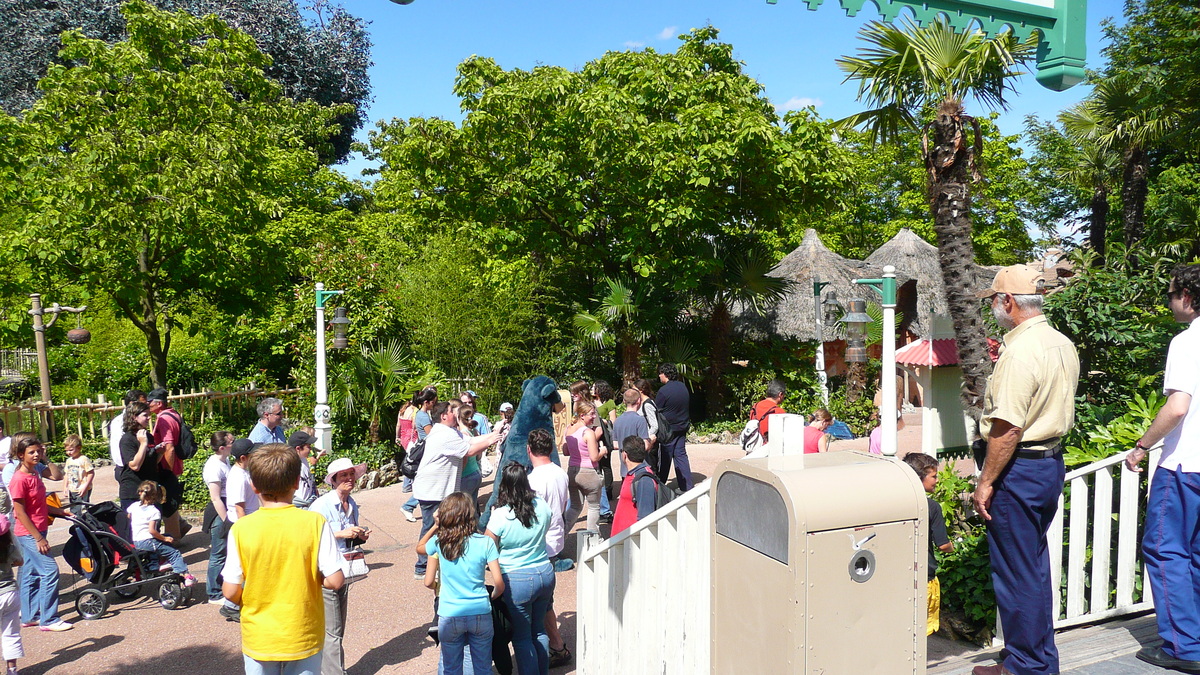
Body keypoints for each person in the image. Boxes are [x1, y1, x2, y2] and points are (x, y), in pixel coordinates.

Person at [970, 264, 1079, 675]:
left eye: (995, 302)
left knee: (1017, 574)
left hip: (1018, 469)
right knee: (1031, 569)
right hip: (1048, 465)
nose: (994, 309)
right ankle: (1034, 657)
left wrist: (985, 482)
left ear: (1009, 302)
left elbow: (1008, 427)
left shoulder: (1020, 352)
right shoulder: (1059, 342)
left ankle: (1027, 666)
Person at [1125, 263, 1200, 672]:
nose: (1170, 302)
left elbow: (1178, 406)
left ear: (1187, 297)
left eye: (1171, 294)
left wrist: (1141, 447)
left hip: (1186, 465)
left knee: (1166, 550)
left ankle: (1183, 648)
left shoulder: (1187, 342)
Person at [222, 443, 344, 674]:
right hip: (303, 631)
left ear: (254, 486)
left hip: (260, 635)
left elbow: (229, 591)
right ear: (297, 482)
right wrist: (310, 578)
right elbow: (335, 580)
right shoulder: (315, 522)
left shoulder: (241, 528)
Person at [417, 492, 503, 675]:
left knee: (450, 667)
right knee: (482, 667)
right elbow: (499, 582)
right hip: (480, 610)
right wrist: (492, 596)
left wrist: (435, 525)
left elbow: (420, 549)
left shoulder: (440, 542)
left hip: (450, 612)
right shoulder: (485, 542)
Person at [413, 402, 500, 579]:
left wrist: (495, 433)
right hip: (432, 491)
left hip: (439, 489)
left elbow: (470, 440)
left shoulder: (450, 431)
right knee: (432, 526)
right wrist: (491, 441)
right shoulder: (442, 434)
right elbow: (469, 450)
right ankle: (422, 567)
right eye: (452, 411)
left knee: (441, 525)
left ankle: (435, 563)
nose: (456, 413)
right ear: (444, 416)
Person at [485, 463, 555, 675]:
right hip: (544, 571)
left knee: (522, 638)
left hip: (517, 579)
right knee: (539, 631)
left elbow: (487, 546)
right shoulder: (541, 504)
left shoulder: (501, 515)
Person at [311, 457, 370, 675]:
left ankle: (329, 669)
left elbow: (349, 537)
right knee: (333, 630)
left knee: (338, 628)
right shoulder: (320, 505)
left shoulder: (351, 503)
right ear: (333, 480)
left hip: (346, 569)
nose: (349, 479)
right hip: (326, 573)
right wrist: (340, 533)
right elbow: (310, 538)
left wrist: (359, 536)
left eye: (351, 474)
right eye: (343, 475)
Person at [7, 437, 70, 632]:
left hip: (38, 528)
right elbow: (20, 513)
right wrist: (39, 538)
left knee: (31, 573)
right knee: (50, 571)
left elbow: (39, 503)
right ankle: (49, 619)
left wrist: (59, 511)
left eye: (38, 451)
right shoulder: (19, 479)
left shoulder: (35, 473)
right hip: (29, 533)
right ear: (20, 455)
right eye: (31, 452)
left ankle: (30, 616)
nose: (36, 455)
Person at [525, 429, 571, 665]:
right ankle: (553, 643)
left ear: (529, 450)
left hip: (540, 544)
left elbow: (528, 516)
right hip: (555, 538)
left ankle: (556, 645)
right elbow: (563, 505)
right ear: (551, 449)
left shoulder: (533, 480)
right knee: (544, 598)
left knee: (542, 601)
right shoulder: (560, 473)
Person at [902, 452, 952, 636]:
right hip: (925, 577)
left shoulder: (897, 503)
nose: (937, 480)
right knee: (924, 627)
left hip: (901, 577)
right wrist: (952, 546)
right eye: (934, 476)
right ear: (920, 478)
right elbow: (943, 545)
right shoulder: (931, 507)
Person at [127, 480, 196, 586]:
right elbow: (152, 531)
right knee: (174, 553)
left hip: (137, 541)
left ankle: (156, 563)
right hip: (148, 541)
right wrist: (164, 539)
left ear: (140, 492)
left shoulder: (134, 506)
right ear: (155, 496)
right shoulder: (153, 511)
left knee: (168, 536)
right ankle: (186, 575)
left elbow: (129, 516)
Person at [221, 439, 258, 623]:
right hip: (240, 524)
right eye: (253, 454)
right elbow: (239, 508)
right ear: (243, 457)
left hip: (246, 522)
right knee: (244, 566)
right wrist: (246, 532)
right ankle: (231, 606)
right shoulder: (238, 476)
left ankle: (235, 604)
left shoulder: (244, 472)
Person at [147, 388, 185, 539]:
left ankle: (173, 542)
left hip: (167, 466)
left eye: (150, 402)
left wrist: (168, 473)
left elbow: (168, 447)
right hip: (175, 464)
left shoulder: (163, 419)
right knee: (171, 502)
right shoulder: (174, 413)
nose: (148, 405)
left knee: (168, 505)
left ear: (159, 403)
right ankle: (181, 525)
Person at [562, 401, 604, 534]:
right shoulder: (588, 432)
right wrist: (603, 450)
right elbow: (594, 457)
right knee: (593, 506)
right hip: (589, 472)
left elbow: (565, 451)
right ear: (582, 415)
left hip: (573, 471)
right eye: (591, 414)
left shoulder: (569, 428)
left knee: (575, 507)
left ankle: (561, 535)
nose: (594, 417)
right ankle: (593, 539)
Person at [203, 431, 234, 606]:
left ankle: (222, 585)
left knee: (226, 551)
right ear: (222, 447)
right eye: (231, 442)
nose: (234, 444)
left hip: (227, 506)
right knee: (218, 553)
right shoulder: (214, 467)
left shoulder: (225, 460)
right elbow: (216, 498)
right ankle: (213, 593)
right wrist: (226, 520)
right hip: (220, 512)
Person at [611, 436, 662, 537]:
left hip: (631, 543)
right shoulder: (634, 475)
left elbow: (645, 518)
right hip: (622, 542)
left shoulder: (643, 479)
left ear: (624, 454)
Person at [654, 363, 693, 492]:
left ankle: (660, 486)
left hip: (668, 430)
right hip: (682, 426)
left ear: (665, 374)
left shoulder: (663, 391)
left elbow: (656, 409)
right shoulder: (683, 387)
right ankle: (686, 486)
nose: (659, 376)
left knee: (665, 457)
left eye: (660, 373)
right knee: (681, 455)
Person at [402, 388, 438, 523]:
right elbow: (432, 434)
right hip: (426, 452)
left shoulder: (421, 414)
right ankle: (408, 506)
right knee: (426, 484)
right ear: (427, 402)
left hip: (425, 450)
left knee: (426, 483)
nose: (434, 404)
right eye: (433, 402)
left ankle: (409, 506)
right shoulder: (423, 416)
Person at [117, 402, 158, 517]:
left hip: (150, 490)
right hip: (133, 492)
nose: (149, 418)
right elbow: (135, 466)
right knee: (134, 529)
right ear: (134, 417)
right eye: (145, 415)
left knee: (153, 526)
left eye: (149, 415)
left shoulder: (148, 436)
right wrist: (143, 444)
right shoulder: (127, 439)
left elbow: (151, 463)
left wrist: (160, 453)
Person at [0, 514, 24, 675]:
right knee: (11, 633)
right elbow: (19, 561)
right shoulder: (8, 548)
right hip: (9, 594)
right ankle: (12, 670)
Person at [107, 389, 146, 477]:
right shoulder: (120, 422)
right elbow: (123, 447)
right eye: (142, 403)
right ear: (132, 404)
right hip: (127, 468)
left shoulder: (137, 420)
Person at [613, 389, 650, 477]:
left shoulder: (617, 421)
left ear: (624, 401)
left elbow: (615, 445)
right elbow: (645, 445)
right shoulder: (640, 420)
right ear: (638, 401)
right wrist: (650, 440)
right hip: (639, 468)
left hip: (625, 469)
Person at [288, 431, 325, 509]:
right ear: (298, 448)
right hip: (298, 506)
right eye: (308, 447)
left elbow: (309, 480)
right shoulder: (290, 465)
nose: (311, 449)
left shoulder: (304, 459)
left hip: (309, 502)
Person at [457, 406, 485, 506]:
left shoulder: (462, 435)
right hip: (475, 471)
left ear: (458, 417)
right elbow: (479, 453)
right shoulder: (474, 431)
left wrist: (458, 476)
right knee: (472, 507)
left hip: (466, 475)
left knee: (463, 508)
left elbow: (464, 458)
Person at [62, 434, 94, 505]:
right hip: (72, 488)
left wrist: (86, 486)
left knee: (83, 508)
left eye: (71, 450)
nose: (68, 453)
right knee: (74, 508)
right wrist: (65, 487)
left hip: (82, 488)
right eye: (66, 450)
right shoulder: (69, 460)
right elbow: (66, 474)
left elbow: (91, 473)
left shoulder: (84, 459)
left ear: (79, 448)